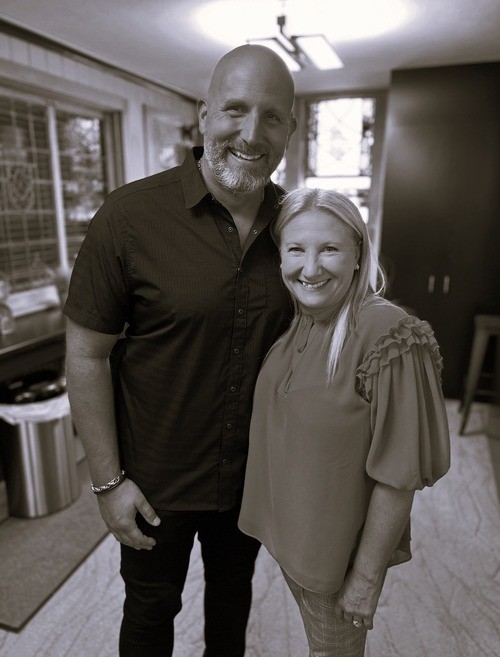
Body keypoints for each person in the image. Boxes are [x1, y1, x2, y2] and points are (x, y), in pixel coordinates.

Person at [63, 44, 297, 657]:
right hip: (153, 482)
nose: (252, 133)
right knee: (149, 613)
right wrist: (107, 483)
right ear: (203, 114)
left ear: (290, 131)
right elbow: (85, 355)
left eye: (272, 117)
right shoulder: (129, 217)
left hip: (250, 479)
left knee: (232, 599)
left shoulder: (297, 227)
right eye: (235, 109)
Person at [238, 188, 451, 657]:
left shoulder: (388, 334)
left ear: (358, 253)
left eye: (330, 248)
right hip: (293, 542)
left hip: (334, 563)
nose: (310, 268)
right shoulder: (302, 317)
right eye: (296, 249)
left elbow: (399, 475)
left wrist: (365, 579)